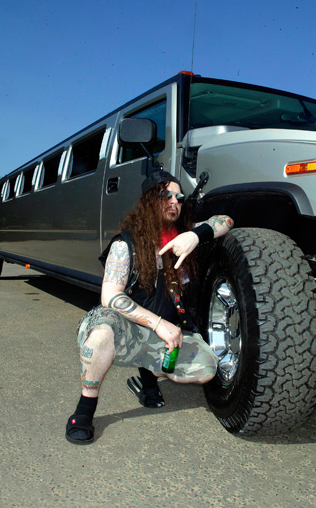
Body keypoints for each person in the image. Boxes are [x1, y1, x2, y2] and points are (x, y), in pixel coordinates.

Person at [65, 169, 234, 444]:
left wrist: (195, 236)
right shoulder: (126, 244)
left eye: (179, 197)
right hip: (127, 329)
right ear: (148, 201)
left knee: (206, 369)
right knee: (101, 336)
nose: (175, 201)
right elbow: (110, 297)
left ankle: (147, 378)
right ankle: (84, 411)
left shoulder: (183, 236)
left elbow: (226, 220)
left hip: (163, 337)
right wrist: (158, 324)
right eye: (166, 195)